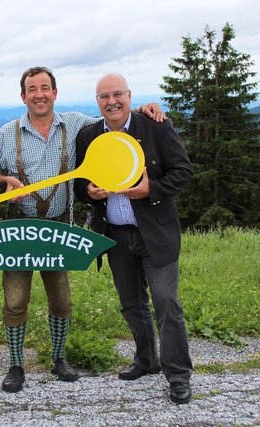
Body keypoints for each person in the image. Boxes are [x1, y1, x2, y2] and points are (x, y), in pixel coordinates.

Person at [0, 66, 165, 393]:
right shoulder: (6, 133)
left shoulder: (78, 124)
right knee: (14, 300)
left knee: (62, 300)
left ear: (55, 93)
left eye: (45, 88)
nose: (39, 94)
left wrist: (142, 109)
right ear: (23, 96)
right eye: (32, 89)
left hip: (58, 230)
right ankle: (15, 365)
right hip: (18, 230)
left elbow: (113, 116)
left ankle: (58, 358)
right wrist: (4, 181)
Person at [74, 73, 194, 404]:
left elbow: (183, 171)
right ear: (97, 102)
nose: (111, 101)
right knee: (131, 305)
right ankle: (146, 360)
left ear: (129, 96)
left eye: (117, 94)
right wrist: (91, 193)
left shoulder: (154, 125)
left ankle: (178, 375)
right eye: (103, 96)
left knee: (165, 301)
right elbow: (78, 186)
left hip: (155, 233)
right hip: (115, 235)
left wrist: (149, 190)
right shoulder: (88, 135)